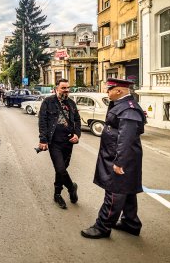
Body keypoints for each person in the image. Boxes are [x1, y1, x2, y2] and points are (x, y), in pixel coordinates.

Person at [81, 78, 146, 239]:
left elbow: (127, 139)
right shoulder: (121, 105)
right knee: (127, 190)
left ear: (119, 91)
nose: (107, 92)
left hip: (121, 158)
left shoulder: (128, 109)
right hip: (115, 154)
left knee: (115, 191)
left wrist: (119, 162)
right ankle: (131, 223)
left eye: (109, 89)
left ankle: (102, 226)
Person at [38, 79, 80, 209]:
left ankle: (57, 194)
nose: (66, 90)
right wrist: (43, 139)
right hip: (54, 142)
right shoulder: (48, 102)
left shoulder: (72, 103)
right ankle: (71, 187)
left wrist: (77, 135)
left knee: (61, 170)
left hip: (68, 142)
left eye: (68, 88)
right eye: (63, 88)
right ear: (57, 88)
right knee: (60, 168)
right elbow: (42, 121)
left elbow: (77, 121)